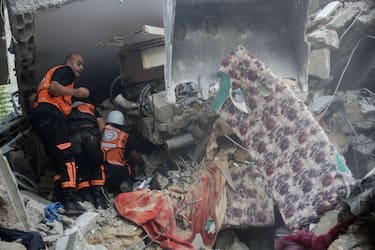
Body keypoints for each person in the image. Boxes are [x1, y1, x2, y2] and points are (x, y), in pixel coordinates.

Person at [31, 53, 89, 215]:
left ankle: (59, 197)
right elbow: (54, 88)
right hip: (51, 115)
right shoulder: (65, 71)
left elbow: (33, 98)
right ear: (69, 62)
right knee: (67, 157)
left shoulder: (50, 76)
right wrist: (77, 92)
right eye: (79, 63)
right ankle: (70, 200)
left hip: (42, 117)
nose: (81, 68)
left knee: (57, 160)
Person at [67, 99, 109, 209]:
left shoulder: (66, 110)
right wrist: (98, 139)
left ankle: (87, 198)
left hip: (73, 137)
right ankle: (100, 199)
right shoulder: (91, 107)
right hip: (90, 135)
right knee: (96, 166)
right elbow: (102, 126)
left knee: (80, 167)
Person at [101, 110, 142, 194]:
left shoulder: (100, 131)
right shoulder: (124, 135)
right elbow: (134, 154)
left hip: (100, 170)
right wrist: (142, 163)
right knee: (130, 169)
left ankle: (103, 188)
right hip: (117, 170)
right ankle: (126, 184)